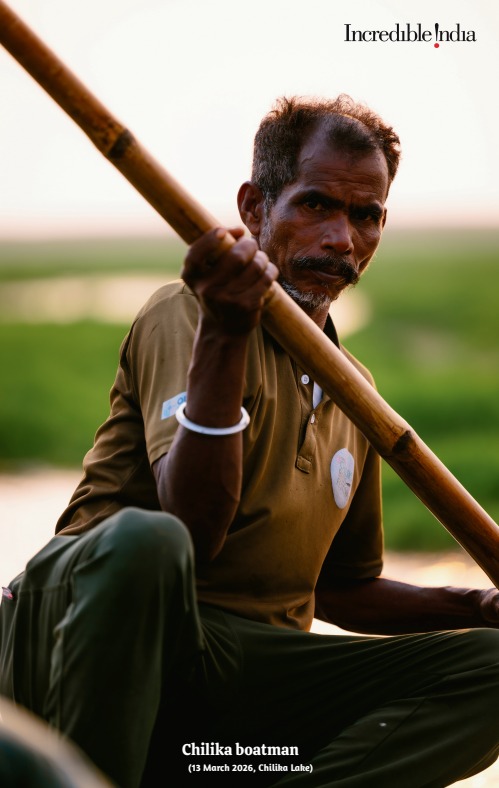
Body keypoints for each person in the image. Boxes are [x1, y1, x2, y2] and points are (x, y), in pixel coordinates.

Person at [1, 94, 499, 788]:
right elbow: (190, 532)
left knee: (491, 663)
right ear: (255, 207)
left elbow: (340, 589)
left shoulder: (353, 388)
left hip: (234, 675)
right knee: (149, 542)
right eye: (315, 205)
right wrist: (225, 332)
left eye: (365, 216)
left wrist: (471, 604)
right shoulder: (188, 313)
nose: (340, 240)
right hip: (85, 639)